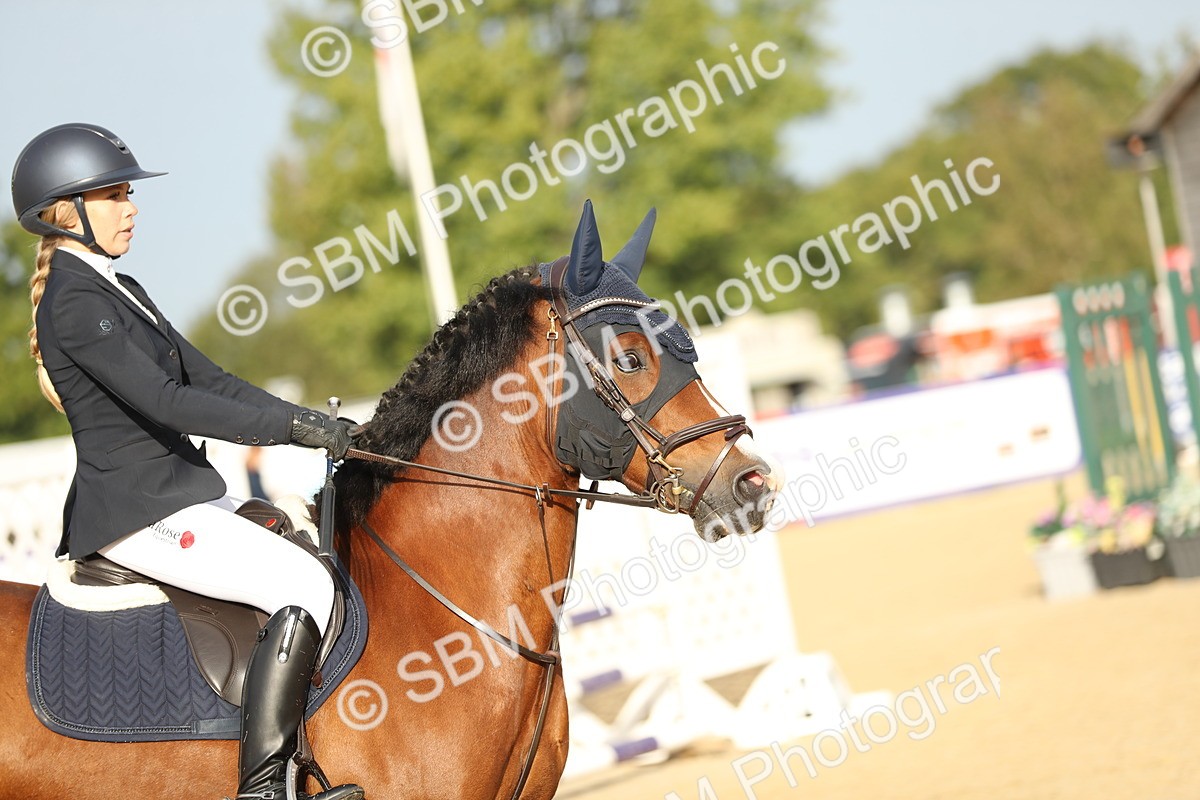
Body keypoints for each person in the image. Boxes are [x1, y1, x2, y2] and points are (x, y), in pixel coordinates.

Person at [11, 123, 365, 800]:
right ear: (68, 210)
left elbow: (210, 378)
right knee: (304, 587)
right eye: (114, 195)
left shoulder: (124, 288)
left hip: (179, 493)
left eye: (126, 194)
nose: (131, 207)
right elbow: (170, 404)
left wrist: (315, 424)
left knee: (306, 549)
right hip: (137, 511)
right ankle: (263, 790)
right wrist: (292, 427)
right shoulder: (75, 303)